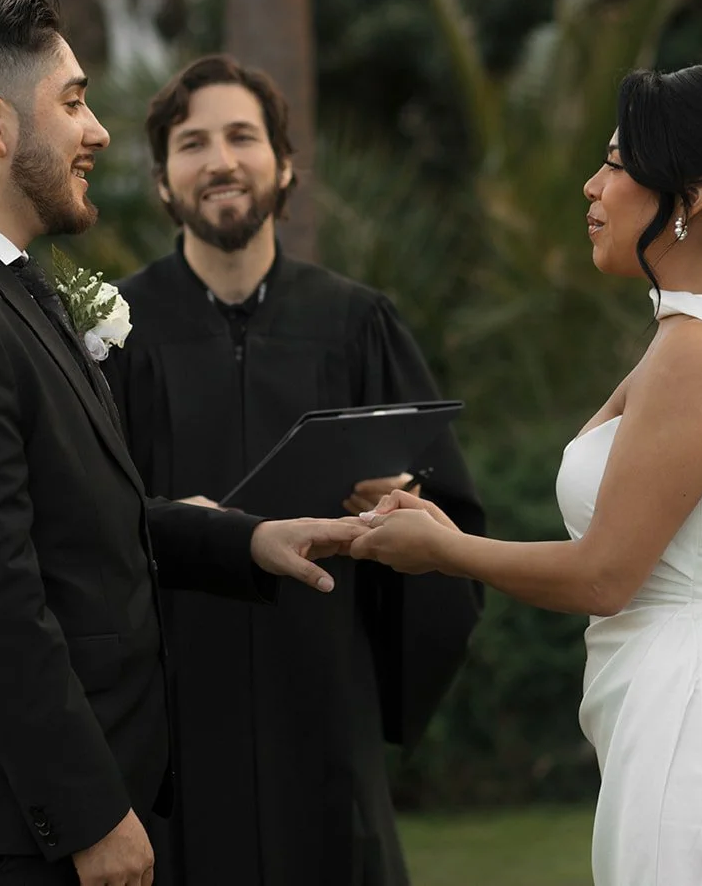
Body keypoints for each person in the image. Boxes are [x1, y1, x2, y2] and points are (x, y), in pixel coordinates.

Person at [0, 0, 364, 886]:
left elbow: (71, 518)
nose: (102, 131)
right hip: (5, 827)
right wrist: (88, 813)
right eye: (74, 101)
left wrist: (245, 538)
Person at [349, 44, 702, 885]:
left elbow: (603, 576)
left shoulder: (698, 347)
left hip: (696, 721)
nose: (592, 187)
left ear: (691, 196)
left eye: (617, 164)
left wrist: (440, 551)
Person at [99, 54, 484, 886]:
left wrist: (406, 516)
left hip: (321, 710)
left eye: (243, 136)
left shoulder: (356, 324)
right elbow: (79, 525)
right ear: (164, 182)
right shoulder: (116, 338)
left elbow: (454, 531)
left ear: (286, 165)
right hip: (172, 726)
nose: (221, 160)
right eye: (192, 143)